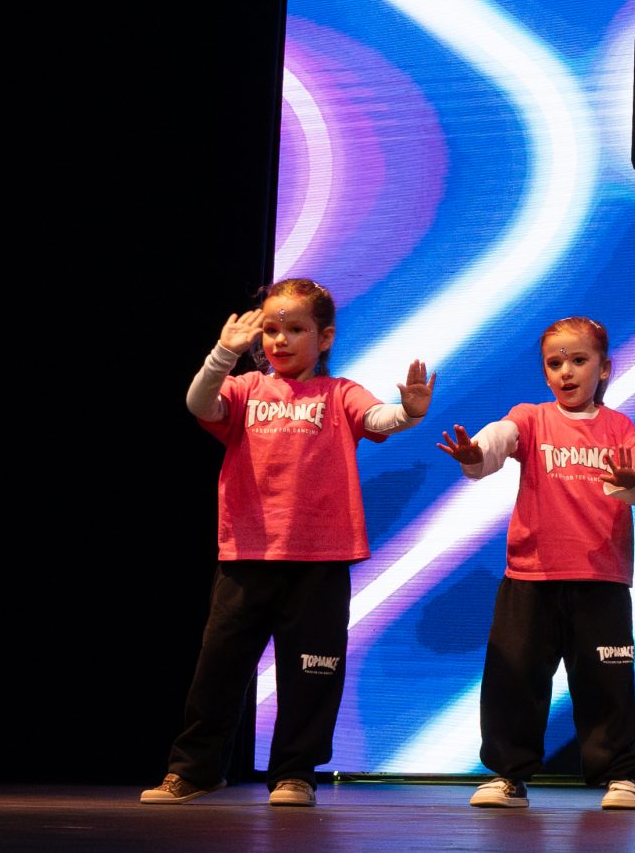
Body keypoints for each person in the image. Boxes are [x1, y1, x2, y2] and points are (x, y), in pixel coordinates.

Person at [143, 279, 433, 807]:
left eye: (295, 329)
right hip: (247, 556)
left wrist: (409, 411)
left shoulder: (339, 392)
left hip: (320, 559)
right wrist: (223, 353)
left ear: (325, 338)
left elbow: (378, 418)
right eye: (271, 330)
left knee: (311, 672)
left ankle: (295, 773)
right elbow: (198, 403)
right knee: (219, 669)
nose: (280, 340)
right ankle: (195, 770)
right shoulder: (246, 388)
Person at [439, 317, 635, 812]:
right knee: (514, 679)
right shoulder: (532, 418)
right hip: (531, 577)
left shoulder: (619, 426)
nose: (566, 371)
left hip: (600, 578)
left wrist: (633, 480)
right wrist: (475, 454)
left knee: (605, 683)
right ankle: (509, 776)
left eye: (578, 360)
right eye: (555, 363)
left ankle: (618, 776)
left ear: (604, 368)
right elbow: (497, 441)